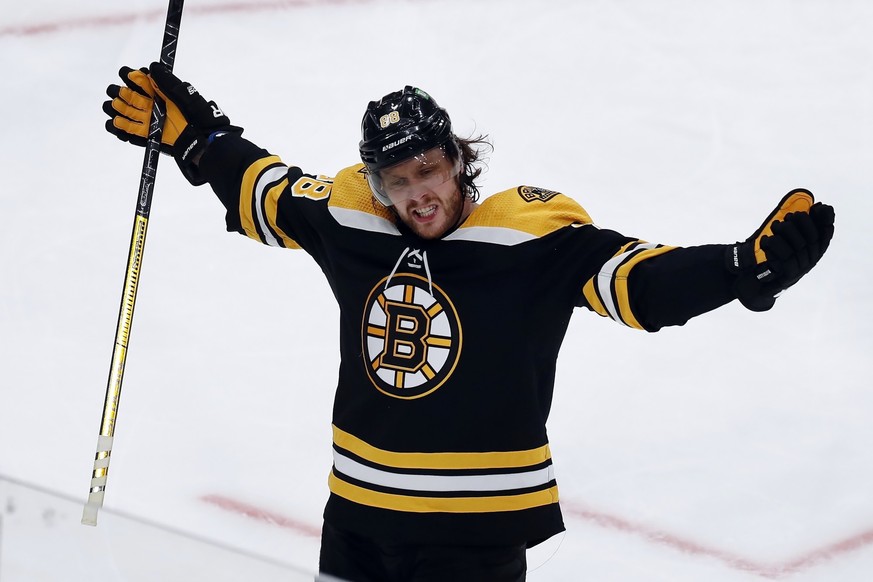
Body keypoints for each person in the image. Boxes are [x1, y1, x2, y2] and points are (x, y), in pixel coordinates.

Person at [103, 63, 835, 582]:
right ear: (377, 184)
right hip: (356, 523)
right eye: (398, 180)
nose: (418, 194)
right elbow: (265, 188)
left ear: (457, 159)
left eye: (429, 170)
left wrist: (738, 269)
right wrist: (195, 140)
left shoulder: (528, 236)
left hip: (473, 538)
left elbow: (636, 282)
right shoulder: (351, 218)